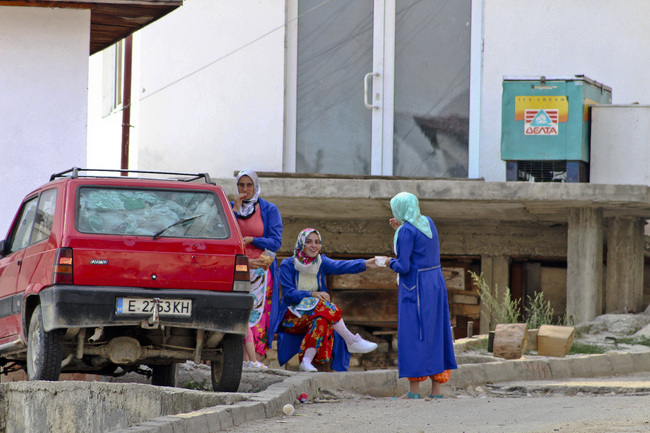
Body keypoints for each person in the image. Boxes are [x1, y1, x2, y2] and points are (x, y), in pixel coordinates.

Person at [269, 228, 379, 372]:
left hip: (316, 314)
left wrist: (365, 264)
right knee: (323, 306)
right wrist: (312, 293)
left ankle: (306, 361)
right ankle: (351, 340)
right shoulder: (288, 264)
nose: (313, 246)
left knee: (322, 320)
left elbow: (341, 266)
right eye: (309, 242)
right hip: (292, 317)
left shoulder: (320, 262)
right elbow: (289, 295)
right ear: (301, 243)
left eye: (317, 242)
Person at [382, 192, 457, 399]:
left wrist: (388, 262)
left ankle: (413, 392)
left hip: (415, 287)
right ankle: (436, 391)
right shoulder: (428, 222)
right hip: (435, 282)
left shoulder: (406, 231)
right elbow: (421, 248)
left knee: (414, 335)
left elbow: (404, 266)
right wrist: (400, 228)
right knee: (436, 332)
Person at [231, 169, 283, 368]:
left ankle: (255, 361)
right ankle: (243, 361)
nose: (245, 189)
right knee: (240, 313)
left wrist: (253, 239)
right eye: (241, 185)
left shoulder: (269, 210)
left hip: (261, 272)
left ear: (255, 186)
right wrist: (235, 211)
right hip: (236, 270)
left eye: (249, 185)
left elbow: (276, 242)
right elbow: (225, 235)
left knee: (258, 316)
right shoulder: (230, 209)